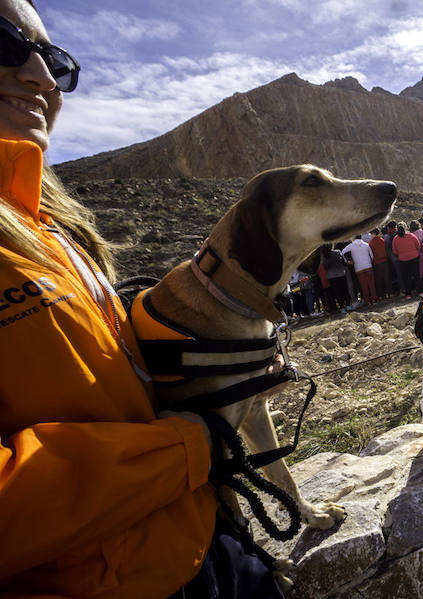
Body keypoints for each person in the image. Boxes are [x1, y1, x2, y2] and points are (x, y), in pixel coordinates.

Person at [0, 1, 223, 596]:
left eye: (55, 60)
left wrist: (205, 343)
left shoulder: (54, 225)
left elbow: (99, 376)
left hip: (197, 543)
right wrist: (180, 450)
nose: (43, 79)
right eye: (4, 43)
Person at [341, 234, 377, 305]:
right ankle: (374, 299)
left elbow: (342, 253)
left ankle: (367, 300)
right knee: (371, 284)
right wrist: (370, 262)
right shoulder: (366, 245)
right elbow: (372, 256)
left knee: (363, 285)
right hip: (368, 266)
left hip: (358, 268)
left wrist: (347, 261)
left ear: (354, 237)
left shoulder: (351, 246)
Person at [391, 223, 420, 299]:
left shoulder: (395, 239)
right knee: (416, 274)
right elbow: (418, 245)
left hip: (403, 260)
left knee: (406, 277)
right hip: (414, 257)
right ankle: (420, 291)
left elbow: (394, 251)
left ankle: (408, 294)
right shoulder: (411, 236)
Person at [368, 227, 391, 299]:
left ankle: (381, 295)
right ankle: (390, 293)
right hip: (385, 261)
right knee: (387, 278)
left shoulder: (371, 243)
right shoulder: (382, 240)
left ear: (373, 233)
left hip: (376, 263)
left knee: (379, 279)